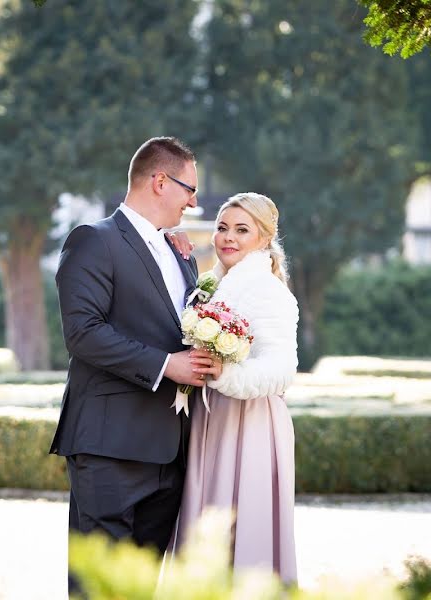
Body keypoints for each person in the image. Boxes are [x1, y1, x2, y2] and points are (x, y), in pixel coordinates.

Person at [49, 137, 205, 590]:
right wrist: (166, 366)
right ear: (160, 181)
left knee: (141, 589)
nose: (194, 201)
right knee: (101, 588)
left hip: (170, 451)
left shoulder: (179, 253)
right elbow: (83, 333)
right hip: (109, 448)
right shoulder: (93, 241)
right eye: (188, 188)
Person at [174, 192, 299, 583]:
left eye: (241, 230)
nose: (228, 237)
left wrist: (224, 375)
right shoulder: (218, 285)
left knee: (243, 532)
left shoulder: (270, 292)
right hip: (214, 419)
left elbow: (282, 369)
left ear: (264, 238)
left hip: (251, 424)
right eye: (222, 228)